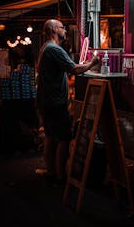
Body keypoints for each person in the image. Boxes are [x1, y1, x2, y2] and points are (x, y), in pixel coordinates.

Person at [36, 18, 99, 185]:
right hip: (55, 102)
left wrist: (82, 65)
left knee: (50, 136)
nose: (65, 30)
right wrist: (93, 62)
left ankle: (51, 172)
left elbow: (70, 67)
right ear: (54, 30)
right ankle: (61, 176)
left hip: (47, 101)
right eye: (62, 28)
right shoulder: (54, 49)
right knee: (64, 138)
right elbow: (74, 69)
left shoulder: (46, 48)